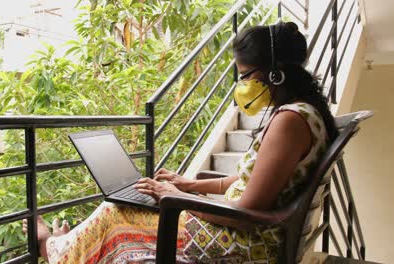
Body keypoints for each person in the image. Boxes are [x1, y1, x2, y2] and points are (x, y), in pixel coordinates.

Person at [22, 21, 338, 263]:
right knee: (123, 207)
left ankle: (52, 248)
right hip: (252, 233)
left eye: (245, 76)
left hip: (246, 244)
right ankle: (67, 245)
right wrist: (188, 185)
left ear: (275, 74)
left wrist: (176, 198)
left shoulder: (289, 122)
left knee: (114, 212)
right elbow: (249, 182)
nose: (241, 85)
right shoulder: (302, 113)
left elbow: (245, 209)